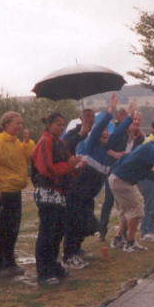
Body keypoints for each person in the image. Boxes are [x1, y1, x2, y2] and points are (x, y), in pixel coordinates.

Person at [0, 111, 35, 278]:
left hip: (15, 191)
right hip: (2, 192)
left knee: (13, 229)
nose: (20, 126)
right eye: (16, 123)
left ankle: (9, 262)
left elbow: (28, 158)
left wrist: (26, 143)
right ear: (6, 125)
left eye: (20, 123)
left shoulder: (15, 142)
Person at [74, 95, 135, 244]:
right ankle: (70, 253)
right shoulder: (90, 144)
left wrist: (130, 118)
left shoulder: (104, 147)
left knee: (86, 225)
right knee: (79, 223)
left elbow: (118, 133)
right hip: (80, 191)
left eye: (107, 133)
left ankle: (77, 250)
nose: (106, 134)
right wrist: (110, 110)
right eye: (103, 132)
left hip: (90, 194)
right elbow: (97, 130)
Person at [31, 113, 82, 285]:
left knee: (58, 232)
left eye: (63, 124)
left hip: (60, 193)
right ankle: (44, 271)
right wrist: (70, 165)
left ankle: (53, 265)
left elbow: (68, 166)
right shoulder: (45, 142)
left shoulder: (60, 143)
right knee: (48, 232)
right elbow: (46, 168)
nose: (61, 127)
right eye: (58, 124)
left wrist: (76, 166)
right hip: (47, 192)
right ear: (49, 125)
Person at [107, 123, 154, 252]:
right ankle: (130, 243)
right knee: (137, 208)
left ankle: (118, 240)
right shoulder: (152, 148)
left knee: (125, 211)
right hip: (121, 180)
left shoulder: (147, 146)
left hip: (117, 178)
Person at [61, 108, 101, 269]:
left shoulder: (97, 134)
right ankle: (69, 254)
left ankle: (77, 248)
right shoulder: (73, 133)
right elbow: (67, 146)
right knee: (74, 220)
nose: (90, 119)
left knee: (86, 218)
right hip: (76, 183)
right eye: (87, 116)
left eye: (92, 116)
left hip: (91, 184)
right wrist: (81, 134)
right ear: (80, 118)